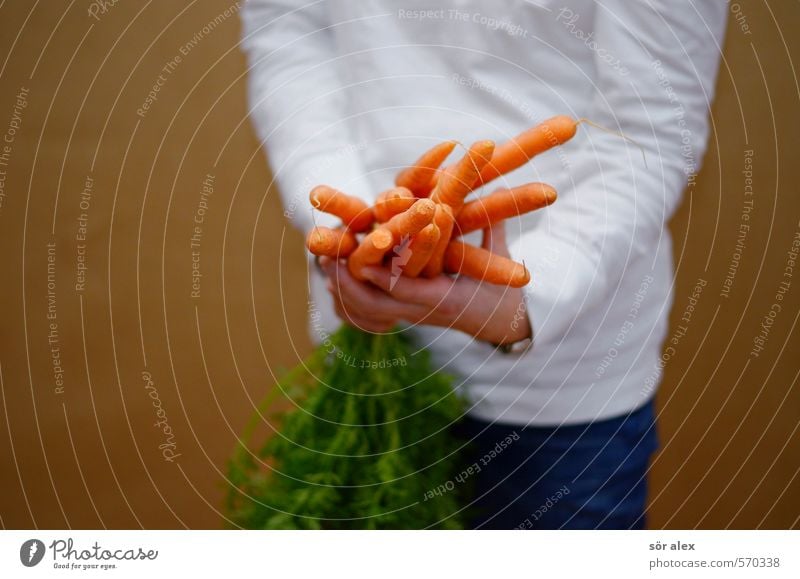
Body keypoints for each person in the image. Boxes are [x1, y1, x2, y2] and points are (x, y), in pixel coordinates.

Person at [240, 0, 727, 529]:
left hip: (558, 383)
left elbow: (650, 129)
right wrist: (351, 232)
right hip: (368, 347)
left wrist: (528, 297)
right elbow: (289, 31)